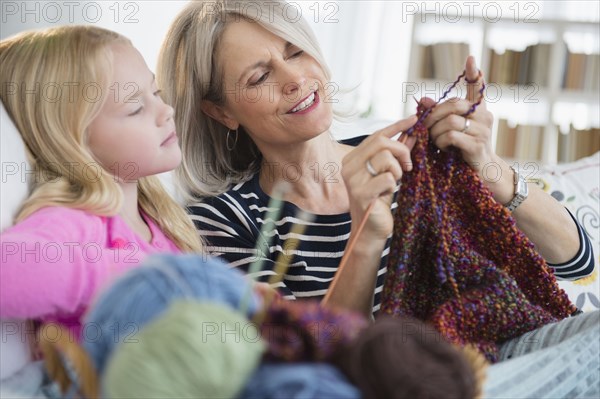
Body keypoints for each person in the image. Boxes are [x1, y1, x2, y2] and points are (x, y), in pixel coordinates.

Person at [158, 0, 594, 319]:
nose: (295, 79)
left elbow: (578, 261)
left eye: (295, 52)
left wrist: (490, 169)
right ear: (221, 112)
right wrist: (366, 233)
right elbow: (304, 365)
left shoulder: (411, 159)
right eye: (259, 76)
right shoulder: (221, 224)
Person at [0, 25, 203, 338]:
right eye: (136, 108)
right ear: (75, 141)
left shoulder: (160, 222)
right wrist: (133, 272)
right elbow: (7, 271)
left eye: (156, 92)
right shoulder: (77, 221)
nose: (166, 111)